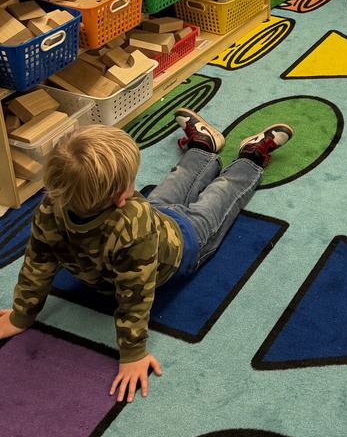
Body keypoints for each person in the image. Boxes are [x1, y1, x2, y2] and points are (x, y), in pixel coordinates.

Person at [0, 109, 295, 403]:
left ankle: (203, 145)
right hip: (186, 242)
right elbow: (134, 297)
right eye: (130, 182)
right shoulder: (128, 225)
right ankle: (251, 156)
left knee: (179, 177)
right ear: (120, 198)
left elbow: (37, 262)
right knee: (224, 193)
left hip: (160, 225)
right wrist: (132, 355)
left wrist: (22, 315)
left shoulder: (53, 203)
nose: (133, 186)